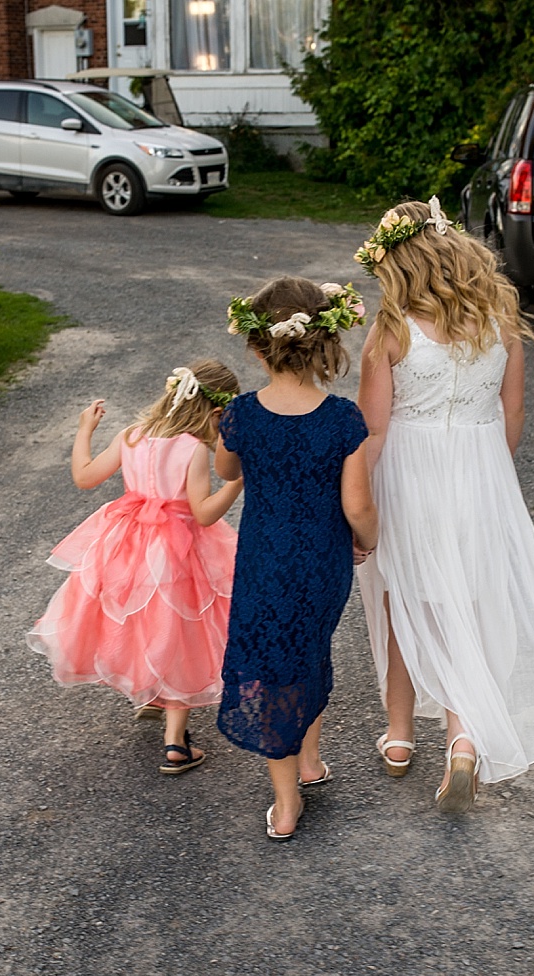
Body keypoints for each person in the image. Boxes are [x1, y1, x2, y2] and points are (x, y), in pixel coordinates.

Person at [353, 197, 534, 812]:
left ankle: (401, 735)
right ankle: (461, 740)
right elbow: (512, 414)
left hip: (410, 479)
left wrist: (354, 502)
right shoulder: (501, 321)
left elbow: (371, 433)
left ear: (397, 264)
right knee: (465, 601)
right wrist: (491, 474)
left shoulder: (392, 332)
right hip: (481, 476)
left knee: (403, 598)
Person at [215, 278, 377, 840]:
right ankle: (309, 763)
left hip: (264, 561)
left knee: (272, 663)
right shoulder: (342, 418)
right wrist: (370, 540)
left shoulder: (239, 415)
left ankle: (287, 805)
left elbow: (227, 472)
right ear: (323, 342)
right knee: (306, 650)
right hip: (321, 563)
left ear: (257, 347)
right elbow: (356, 505)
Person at [28, 361, 244, 775]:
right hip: (178, 548)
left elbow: (84, 476)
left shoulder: (132, 436)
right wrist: (238, 482)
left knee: (137, 617)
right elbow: (202, 515)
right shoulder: (194, 449)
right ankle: (175, 742)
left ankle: (148, 695)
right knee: (181, 630)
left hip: (127, 544)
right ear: (215, 410)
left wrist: (85, 430)